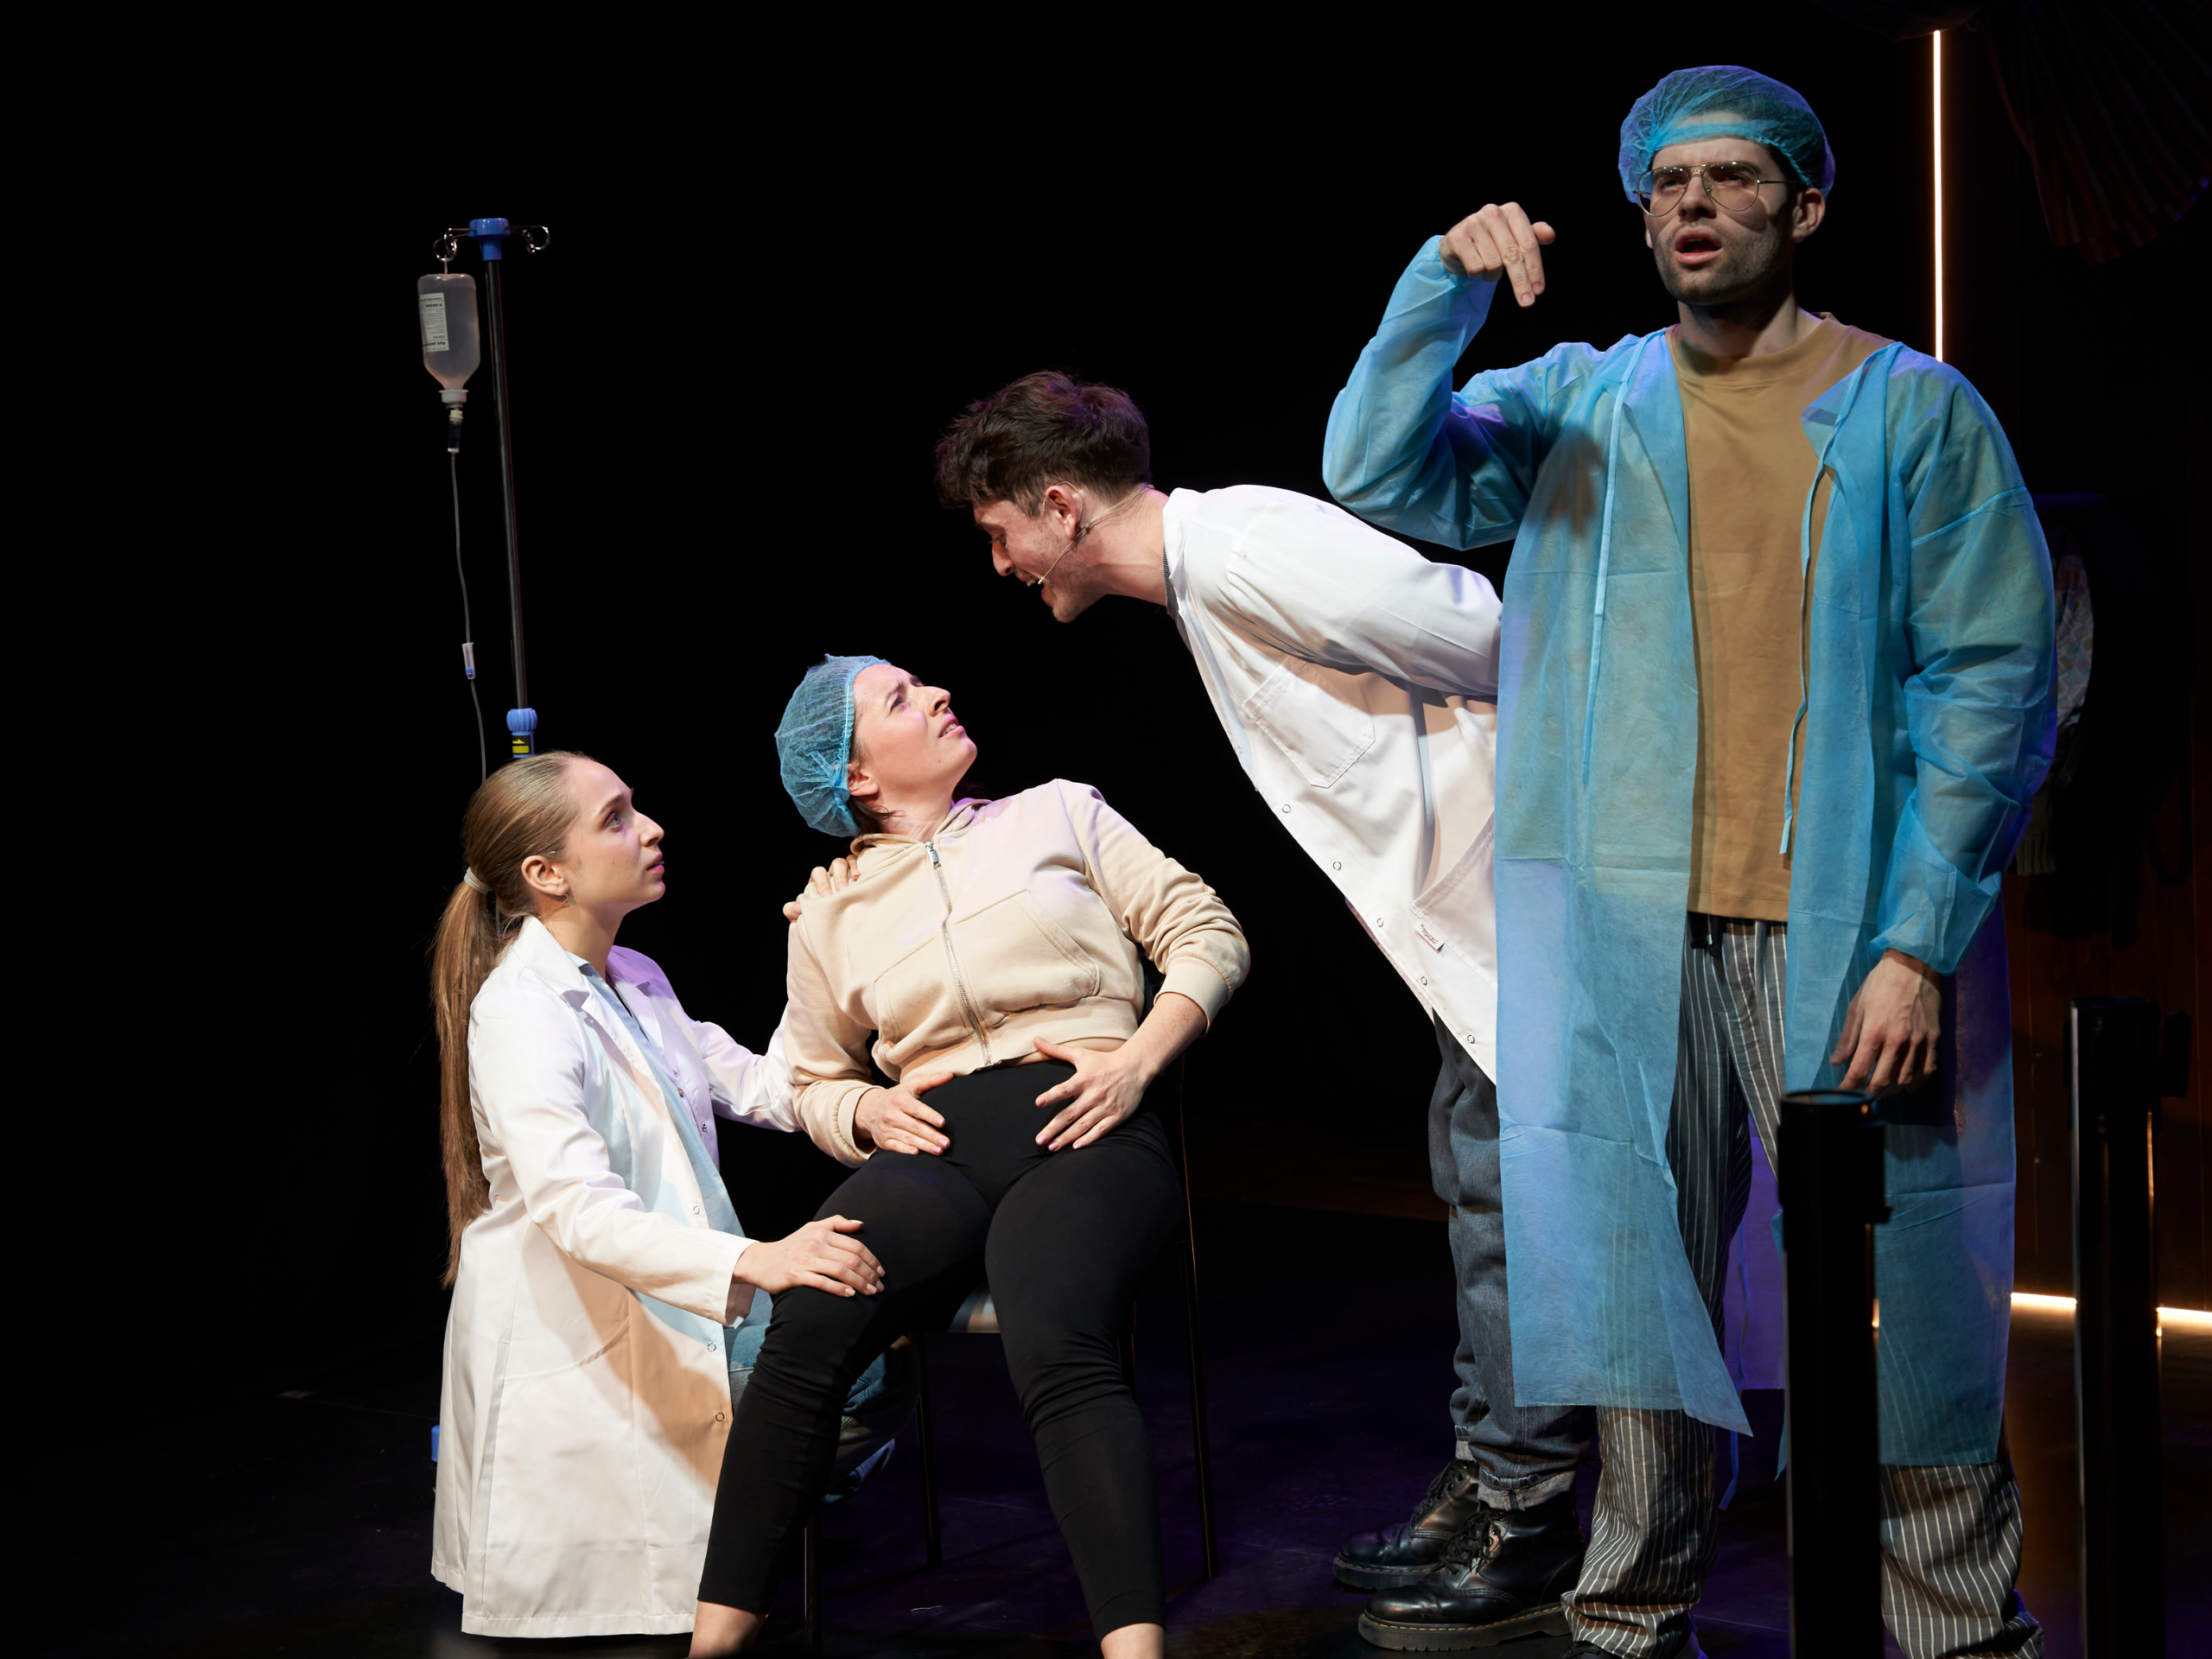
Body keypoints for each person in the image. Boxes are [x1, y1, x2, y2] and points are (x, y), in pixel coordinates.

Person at [1322, 65, 2052, 1658]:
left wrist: (1918, 940)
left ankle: (1952, 1630)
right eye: (1669, 183)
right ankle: (1628, 1617)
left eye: (1732, 177)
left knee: (1905, 1290)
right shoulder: (1581, 402)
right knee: (1630, 1273)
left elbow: (1993, 680)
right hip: (1626, 928)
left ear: (1806, 204)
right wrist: (1442, 289)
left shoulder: (1911, 410)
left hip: (1841, 931)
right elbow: (1383, 473)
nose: (1695, 205)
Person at [932, 375, 1588, 1646]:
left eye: (1001, 532)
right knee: (1478, 1184)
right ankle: (1493, 1479)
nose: (1002, 564)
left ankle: (1525, 1514)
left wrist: (1529, 850)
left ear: (1059, 507)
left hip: (1522, 909)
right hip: (1472, 928)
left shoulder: (1244, 545)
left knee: (1509, 1202)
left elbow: (1506, 642)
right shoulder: (1206, 578)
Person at [690, 657, 1249, 1659]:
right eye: (901, 699)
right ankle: (714, 1643)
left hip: (1078, 1118)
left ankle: (1133, 1650)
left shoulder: (1058, 813)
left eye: (923, 684)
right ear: (856, 775)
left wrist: (1136, 1062)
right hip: (933, 1151)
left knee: (1055, 1329)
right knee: (807, 1312)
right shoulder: (827, 910)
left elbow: (1205, 931)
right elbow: (806, 1079)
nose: (939, 695)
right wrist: (866, 1108)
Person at [430, 751, 906, 1638]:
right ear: (546, 874)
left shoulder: (635, 976)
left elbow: (761, 1085)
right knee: (845, 1365)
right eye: (614, 818)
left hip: (674, 1292)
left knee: (871, 1348)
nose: (650, 829)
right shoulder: (522, 1012)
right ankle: (760, 1509)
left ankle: (755, 1509)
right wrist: (759, 1260)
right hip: (591, 1311)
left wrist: (826, 970)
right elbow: (579, 1210)